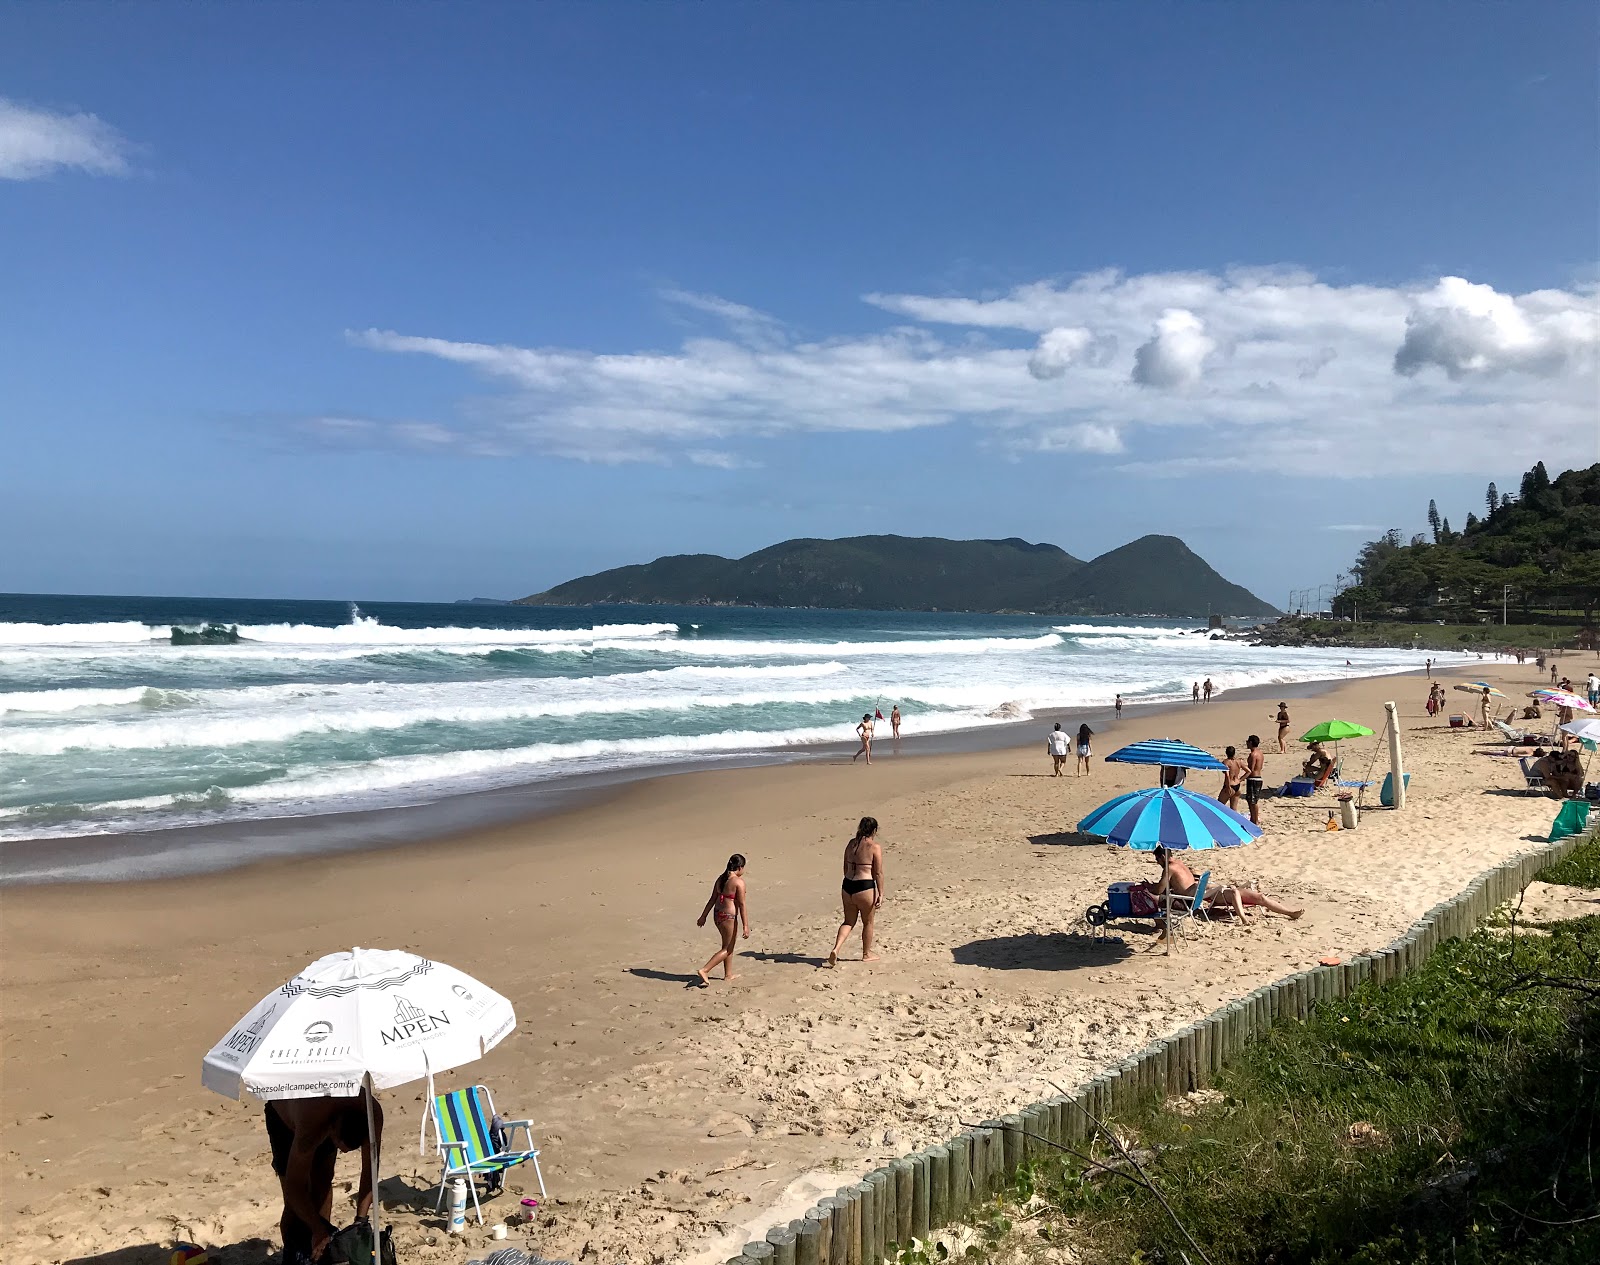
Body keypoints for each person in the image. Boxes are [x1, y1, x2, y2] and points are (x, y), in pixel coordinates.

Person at [265, 1091, 383, 1265]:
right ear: (331, 1130)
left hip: (328, 1113)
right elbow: (294, 1187)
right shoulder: (311, 1123)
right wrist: (317, 1229)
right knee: (294, 1207)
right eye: (340, 1146)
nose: (343, 1152)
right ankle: (294, 1254)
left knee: (323, 1183)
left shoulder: (373, 1115)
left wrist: (361, 1220)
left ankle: (323, 1250)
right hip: (284, 1117)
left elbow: (371, 1172)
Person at [1146, 846, 1303, 921]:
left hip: (1201, 895)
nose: (1157, 863)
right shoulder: (1179, 862)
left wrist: (1148, 887)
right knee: (1246, 894)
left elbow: (1160, 889)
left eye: (1157, 860)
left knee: (1249, 895)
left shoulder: (1169, 868)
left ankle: (1287, 913)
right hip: (1206, 891)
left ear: (1162, 858)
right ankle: (1288, 913)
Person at [828, 816, 883, 966]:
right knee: (868, 922)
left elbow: (845, 867)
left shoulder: (851, 843)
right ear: (874, 830)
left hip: (848, 885)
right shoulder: (874, 847)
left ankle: (836, 949)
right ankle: (866, 953)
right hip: (864, 886)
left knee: (848, 921)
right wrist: (881, 892)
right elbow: (877, 873)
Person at [696, 853, 749, 985]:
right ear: (740, 867)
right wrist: (745, 925)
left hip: (717, 915)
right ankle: (705, 970)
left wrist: (703, 916)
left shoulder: (721, 879)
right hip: (728, 917)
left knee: (727, 944)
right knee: (728, 948)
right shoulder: (738, 882)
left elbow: (712, 899)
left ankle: (728, 974)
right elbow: (742, 904)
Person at [1243, 734, 1266, 826]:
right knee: (1252, 800)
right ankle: (1253, 819)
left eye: (1248, 741)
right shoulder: (1260, 753)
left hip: (1253, 778)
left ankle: (1254, 820)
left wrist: (1241, 778)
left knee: (1252, 801)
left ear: (1251, 742)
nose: (1246, 743)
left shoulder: (1253, 754)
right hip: (1258, 778)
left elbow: (1250, 769)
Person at [1217, 745, 1244, 810]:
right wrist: (1240, 779)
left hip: (1230, 785)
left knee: (1219, 806)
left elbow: (1227, 775)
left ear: (1226, 753)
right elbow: (1248, 771)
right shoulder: (1238, 761)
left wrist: (1228, 786)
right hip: (1237, 785)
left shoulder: (1226, 762)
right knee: (1233, 809)